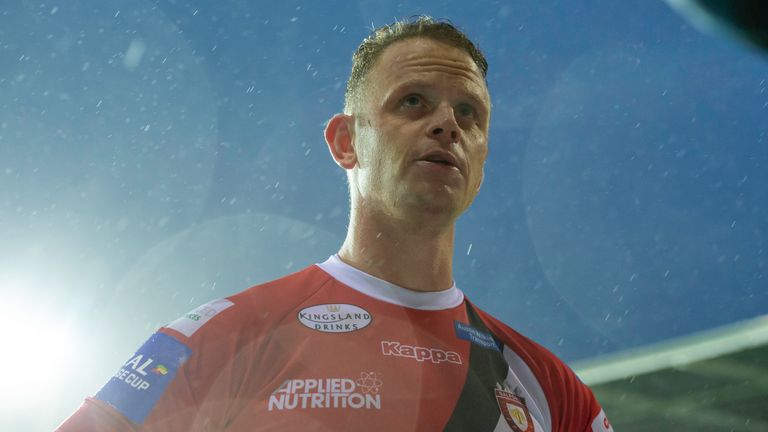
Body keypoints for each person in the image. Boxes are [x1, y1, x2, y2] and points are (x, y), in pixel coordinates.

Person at [58, 16, 613, 432]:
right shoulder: (222, 339)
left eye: (470, 114)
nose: (448, 124)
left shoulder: (552, 391)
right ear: (346, 142)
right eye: (414, 102)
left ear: (482, 161)